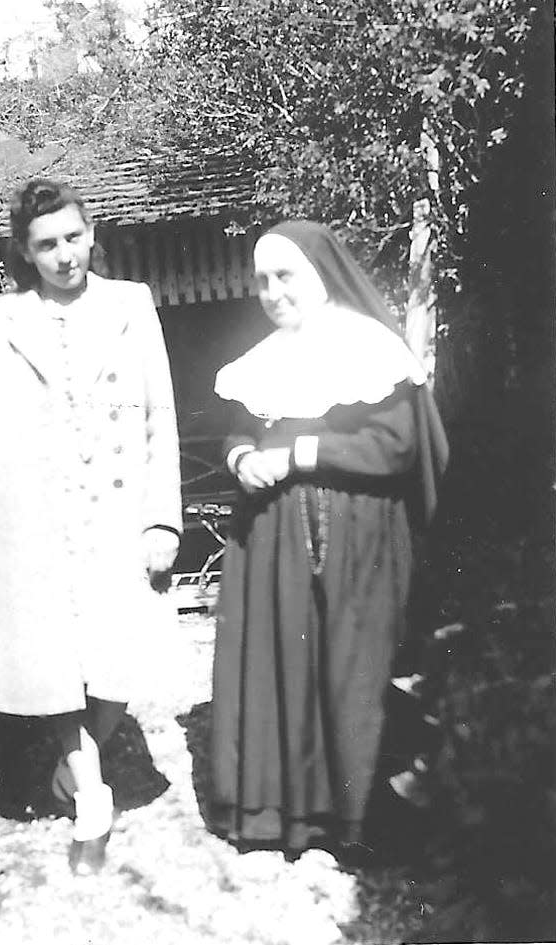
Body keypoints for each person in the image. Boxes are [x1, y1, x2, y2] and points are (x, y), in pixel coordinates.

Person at [0, 179, 185, 876]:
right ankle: (91, 797)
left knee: (119, 662)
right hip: (33, 515)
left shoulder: (132, 306)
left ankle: (77, 765)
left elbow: (160, 417)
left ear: (90, 233)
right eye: (46, 245)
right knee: (58, 663)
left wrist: (162, 518)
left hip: (116, 512)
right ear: (26, 252)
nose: (63, 254)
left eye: (71, 237)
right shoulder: (1, 319)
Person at [210, 220, 448, 869]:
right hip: (274, 540)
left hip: (357, 534)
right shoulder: (262, 359)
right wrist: (242, 462)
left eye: (285, 275)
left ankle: (364, 815)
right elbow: (233, 434)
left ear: (323, 272)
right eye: (261, 279)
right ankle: (290, 811)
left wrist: (297, 455)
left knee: (354, 671)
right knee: (291, 666)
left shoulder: (369, 346)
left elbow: (393, 448)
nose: (271, 290)